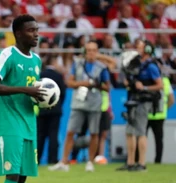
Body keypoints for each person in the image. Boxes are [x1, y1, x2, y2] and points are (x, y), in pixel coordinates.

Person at [0, 14, 44, 183]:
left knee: (23, 175)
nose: (36, 34)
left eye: (37, 30)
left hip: (29, 123)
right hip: (10, 123)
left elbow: (33, 91)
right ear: (18, 34)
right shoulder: (7, 54)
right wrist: (25, 90)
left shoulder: (37, 60)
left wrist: (43, 99)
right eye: (31, 30)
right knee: (12, 174)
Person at [49, 41, 110, 172]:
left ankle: (90, 162)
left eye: (94, 50)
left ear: (97, 52)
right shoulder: (77, 64)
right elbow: (69, 82)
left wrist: (97, 84)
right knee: (71, 131)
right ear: (85, 51)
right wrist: (85, 83)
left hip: (94, 104)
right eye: (89, 50)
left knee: (94, 133)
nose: (91, 53)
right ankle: (64, 162)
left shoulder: (102, 67)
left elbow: (107, 87)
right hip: (78, 103)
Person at [116, 40, 163, 171]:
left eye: (139, 47)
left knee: (141, 131)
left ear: (147, 49)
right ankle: (130, 163)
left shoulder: (151, 66)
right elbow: (129, 82)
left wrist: (145, 87)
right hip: (134, 100)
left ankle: (142, 163)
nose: (136, 50)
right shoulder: (134, 66)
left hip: (145, 101)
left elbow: (160, 85)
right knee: (129, 131)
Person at [37, 54, 66, 165]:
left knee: (40, 135)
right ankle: (52, 159)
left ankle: (37, 159)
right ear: (53, 61)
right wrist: (57, 105)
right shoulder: (58, 76)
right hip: (55, 110)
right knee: (53, 135)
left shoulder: (40, 75)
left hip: (42, 110)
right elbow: (62, 93)